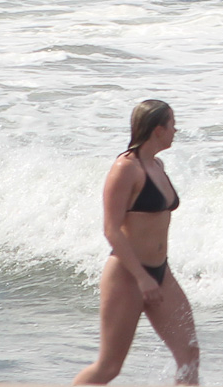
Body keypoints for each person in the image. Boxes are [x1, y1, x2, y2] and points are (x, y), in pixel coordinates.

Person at [75, 100, 199, 386]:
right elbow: (111, 230)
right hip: (128, 275)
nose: (175, 130)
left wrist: (153, 277)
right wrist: (142, 279)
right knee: (109, 367)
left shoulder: (157, 164)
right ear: (158, 130)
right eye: (172, 124)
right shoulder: (125, 169)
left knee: (189, 354)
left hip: (160, 273)